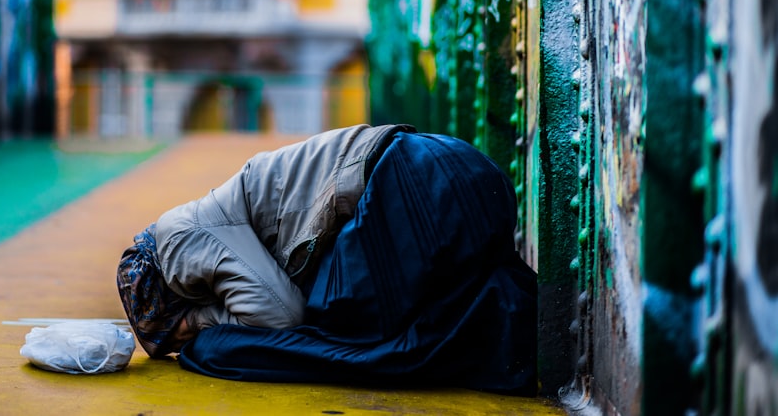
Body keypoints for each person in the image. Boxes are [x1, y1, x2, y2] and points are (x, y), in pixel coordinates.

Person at [117, 124, 538, 395]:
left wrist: (198, 325)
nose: (176, 346)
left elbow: (282, 316)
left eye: (170, 336)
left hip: (411, 184)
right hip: (457, 176)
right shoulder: (212, 217)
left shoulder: (175, 238)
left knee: (331, 322)